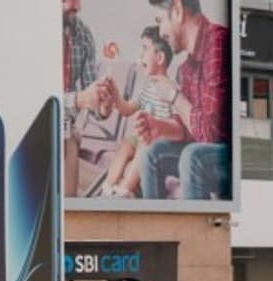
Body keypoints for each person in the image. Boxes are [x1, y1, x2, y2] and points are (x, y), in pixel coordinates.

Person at [136, 0, 230, 200]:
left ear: (178, 11)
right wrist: (158, 126)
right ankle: (153, 219)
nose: (161, 31)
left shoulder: (219, 43)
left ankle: (197, 221)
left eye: (160, 20)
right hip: (207, 150)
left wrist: (174, 96)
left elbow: (211, 133)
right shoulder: (186, 69)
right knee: (152, 152)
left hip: (231, 155)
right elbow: (187, 129)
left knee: (192, 157)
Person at [100, 26, 179, 198]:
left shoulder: (171, 90)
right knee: (126, 144)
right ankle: (108, 186)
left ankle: (125, 188)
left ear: (159, 58)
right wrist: (115, 93)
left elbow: (176, 126)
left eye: (145, 48)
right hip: (141, 137)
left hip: (157, 142)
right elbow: (126, 109)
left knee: (144, 144)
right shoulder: (146, 87)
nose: (140, 54)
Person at [62, 0, 113, 196]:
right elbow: (32, 101)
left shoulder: (83, 35)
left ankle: (68, 207)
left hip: (63, 128)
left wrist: (102, 106)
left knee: (67, 136)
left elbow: (89, 93)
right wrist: (77, 100)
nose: (76, 7)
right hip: (29, 126)